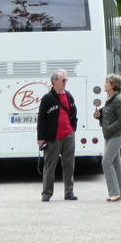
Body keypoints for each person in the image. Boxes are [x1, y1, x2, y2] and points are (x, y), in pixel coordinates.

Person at [36, 69, 78, 201]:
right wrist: (41, 138)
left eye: (66, 80)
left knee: (69, 165)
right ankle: (47, 193)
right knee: (50, 165)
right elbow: (41, 119)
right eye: (63, 80)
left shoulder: (69, 96)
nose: (65, 82)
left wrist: (73, 129)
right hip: (52, 137)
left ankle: (69, 192)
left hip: (68, 135)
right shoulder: (47, 98)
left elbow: (74, 113)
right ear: (54, 81)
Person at [98, 73, 121, 202]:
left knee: (106, 162)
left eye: (107, 82)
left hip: (116, 135)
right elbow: (110, 116)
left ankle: (114, 193)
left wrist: (108, 129)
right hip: (110, 135)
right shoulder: (110, 98)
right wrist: (99, 115)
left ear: (113, 85)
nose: (104, 84)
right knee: (116, 163)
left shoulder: (118, 100)